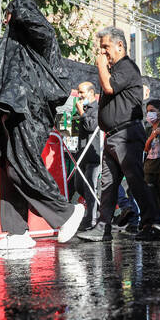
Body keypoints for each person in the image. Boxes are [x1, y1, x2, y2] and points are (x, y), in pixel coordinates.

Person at [0, 0, 84, 251]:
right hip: (14, 110)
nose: (4, 21)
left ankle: (66, 213)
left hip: (29, 110)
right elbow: (5, 77)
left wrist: (18, 6)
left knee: (22, 165)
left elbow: (46, 31)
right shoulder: (16, 47)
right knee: (11, 167)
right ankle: (16, 232)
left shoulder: (35, 39)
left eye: (7, 15)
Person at [78, 27, 160, 242]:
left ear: (120, 46)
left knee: (135, 181)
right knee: (107, 184)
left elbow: (108, 88)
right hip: (113, 136)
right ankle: (104, 226)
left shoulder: (126, 66)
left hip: (127, 135)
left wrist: (99, 65)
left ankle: (151, 223)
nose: (103, 52)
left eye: (106, 47)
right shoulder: (115, 69)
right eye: (101, 48)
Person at [73, 81, 100, 230]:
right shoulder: (80, 108)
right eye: (78, 92)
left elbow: (91, 126)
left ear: (91, 93)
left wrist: (82, 113)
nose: (79, 95)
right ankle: (97, 206)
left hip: (93, 155)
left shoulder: (97, 109)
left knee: (90, 187)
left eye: (82, 92)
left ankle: (91, 219)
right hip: (81, 153)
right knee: (79, 185)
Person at [143, 99, 160, 223]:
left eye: (152, 111)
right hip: (149, 165)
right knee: (150, 196)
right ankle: (150, 223)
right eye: (148, 111)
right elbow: (145, 147)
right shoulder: (148, 129)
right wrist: (152, 136)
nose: (149, 114)